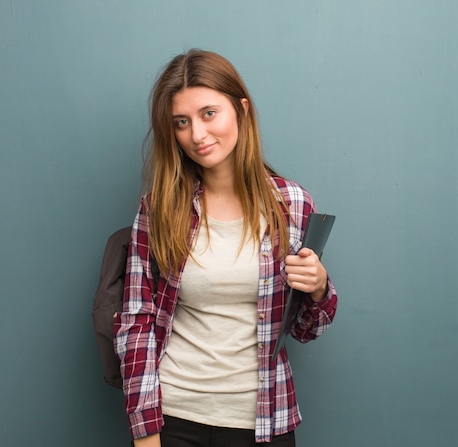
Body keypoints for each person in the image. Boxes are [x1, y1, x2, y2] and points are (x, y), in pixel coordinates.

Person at [114, 49, 337, 447]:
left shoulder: (293, 205)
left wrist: (318, 287)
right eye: (181, 122)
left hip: (264, 420)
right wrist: (146, 434)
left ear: (242, 110)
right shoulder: (160, 208)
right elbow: (137, 323)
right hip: (174, 417)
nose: (196, 135)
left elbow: (306, 329)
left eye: (209, 113)